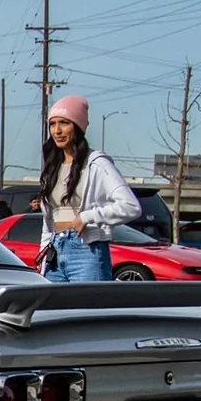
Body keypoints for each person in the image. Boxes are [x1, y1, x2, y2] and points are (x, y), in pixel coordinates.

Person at [37, 95, 139, 282]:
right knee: (53, 311)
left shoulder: (97, 164)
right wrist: (43, 258)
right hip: (55, 253)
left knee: (87, 310)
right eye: (52, 124)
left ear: (77, 126)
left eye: (64, 123)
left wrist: (88, 217)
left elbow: (130, 206)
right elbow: (49, 223)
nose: (57, 130)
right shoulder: (52, 168)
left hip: (87, 252)